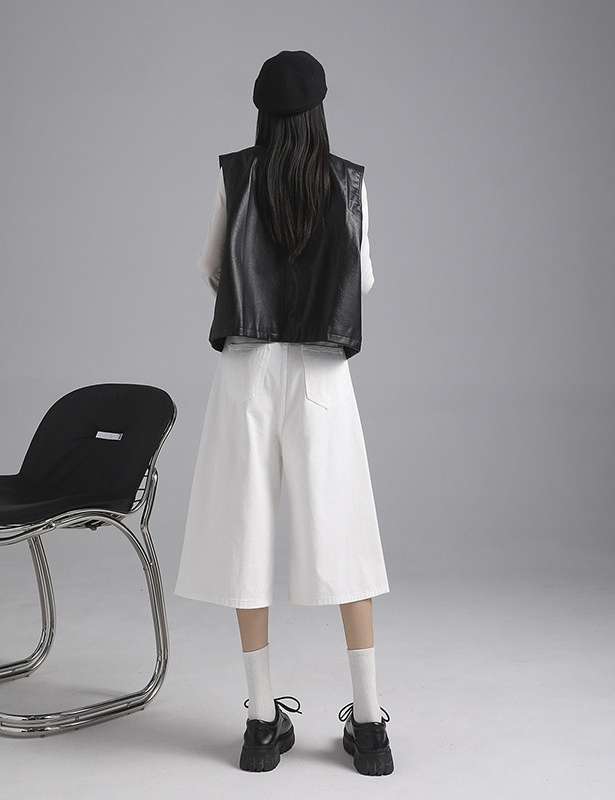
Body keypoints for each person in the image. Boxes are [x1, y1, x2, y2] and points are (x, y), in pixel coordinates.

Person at [174, 50, 393, 776]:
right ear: (318, 111)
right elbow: (361, 278)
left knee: (246, 532)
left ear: (262, 113)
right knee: (345, 533)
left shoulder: (235, 175)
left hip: (248, 368)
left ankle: (262, 723)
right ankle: (369, 724)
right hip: (321, 372)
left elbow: (212, 267)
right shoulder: (349, 183)